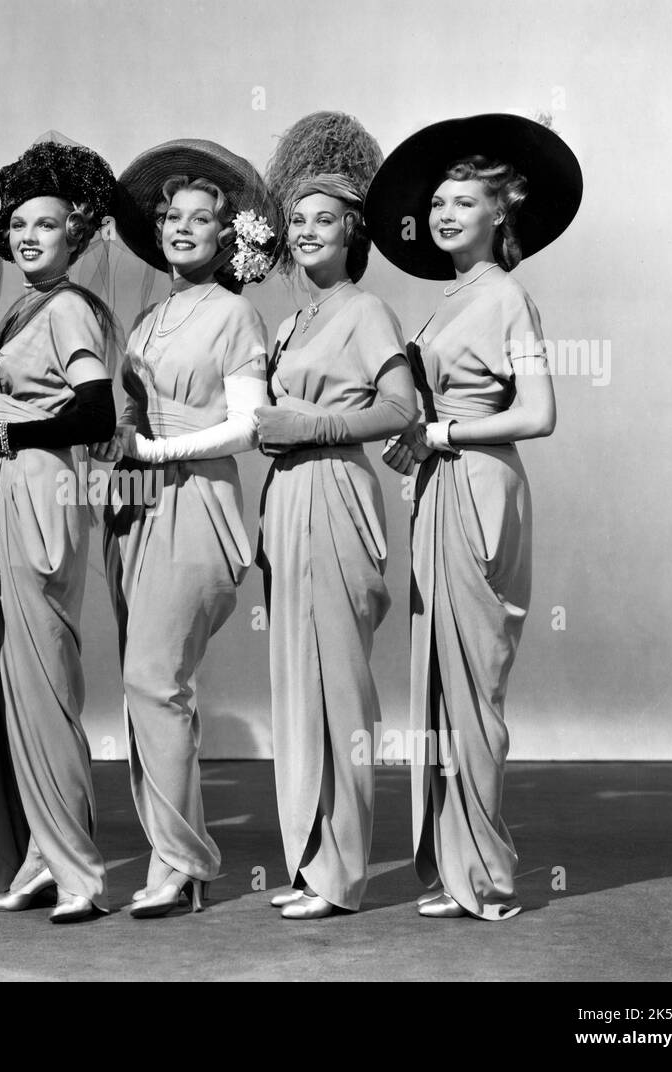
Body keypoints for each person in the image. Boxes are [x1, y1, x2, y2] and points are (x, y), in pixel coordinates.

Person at [365, 113, 582, 920]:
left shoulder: (508, 298)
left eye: (466, 202)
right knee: (444, 682)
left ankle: (488, 875)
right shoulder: (448, 300)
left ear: (502, 213)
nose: (448, 213)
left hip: (482, 489)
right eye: (442, 203)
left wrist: (442, 432)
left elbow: (540, 413)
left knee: (476, 686)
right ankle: (460, 868)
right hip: (439, 488)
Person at [100, 139, 280, 918]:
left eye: (201, 219)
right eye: (172, 216)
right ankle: (177, 852)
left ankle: (182, 860)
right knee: (152, 687)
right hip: (138, 507)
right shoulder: (147, 317)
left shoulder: (236, 313)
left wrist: (158, 448)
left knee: (153, 679)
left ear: (227, 238)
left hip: (200, 504)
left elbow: (249, 427)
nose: (181, 228)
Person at [0, 137, 119, 924]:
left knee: (46, 680)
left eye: (45, 227)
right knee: (12, 679)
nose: (25, 237)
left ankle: (79, 869)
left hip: (41, 491)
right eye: (17, 225)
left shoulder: (71, 308)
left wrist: (6, 437)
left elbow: (97, 408)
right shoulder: (20, 307)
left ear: (74, 238)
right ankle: (40, 857)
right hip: (9, 492)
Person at [256, 113, 418, 920]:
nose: (309, 230)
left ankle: (342, 871)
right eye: (299, 219)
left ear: (355, 232)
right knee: (295, 682)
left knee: (338, 685)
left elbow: (399, 407)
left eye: (326, 219)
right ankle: (310, 858)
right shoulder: (290, 324)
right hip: (285, 500)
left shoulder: (367, 311)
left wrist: (310, 425)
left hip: (335, 496)